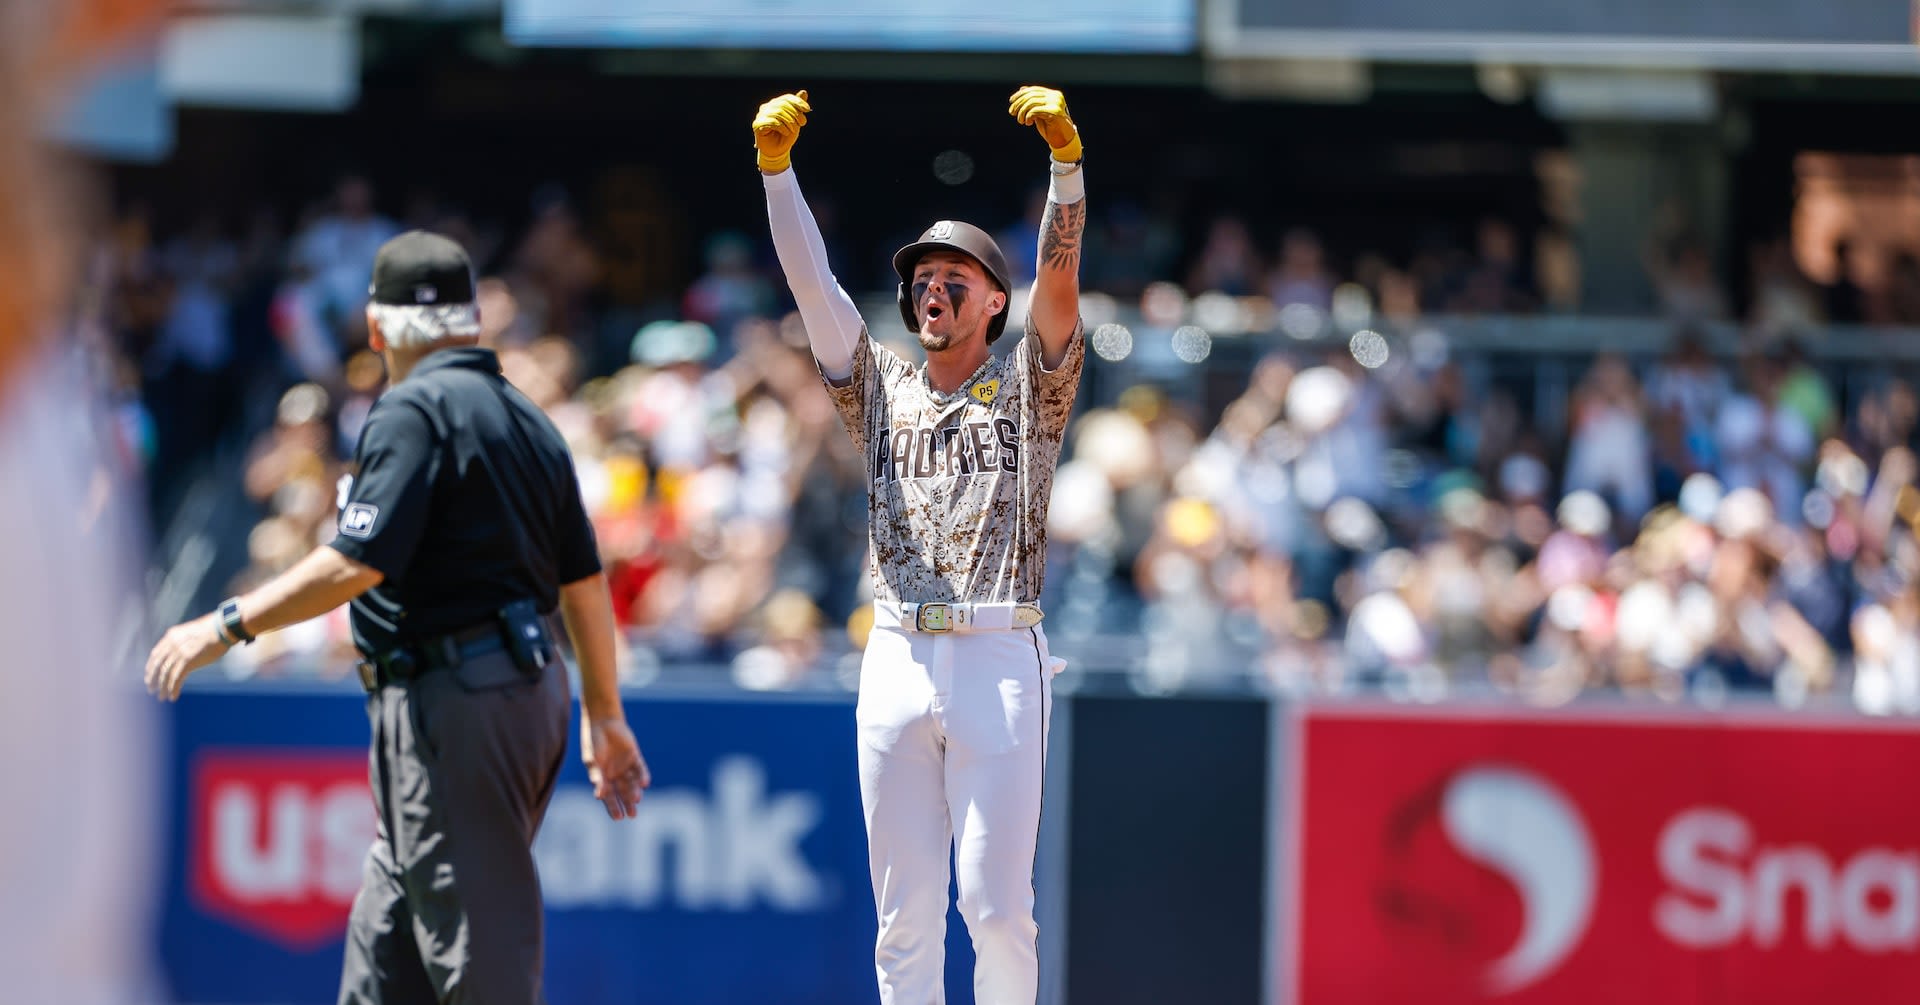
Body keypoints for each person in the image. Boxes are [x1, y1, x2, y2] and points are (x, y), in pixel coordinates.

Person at [143, 230, 650, 1005]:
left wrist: (223, 623)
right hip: (513, 687)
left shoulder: (414, 407)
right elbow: (582, 581)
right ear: (472, 321)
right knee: (386, 958)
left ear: (377, 328)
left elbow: (356, 562)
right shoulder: (527, 417)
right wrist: (604, 713)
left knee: (484, 968)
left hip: (458, 697)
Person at [754, 84, 1088, 1003]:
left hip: (998, 652)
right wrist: (778, 177)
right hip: (897, 650)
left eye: (955, 277)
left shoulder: (1030, 389)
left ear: (992, 302)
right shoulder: (881, 387)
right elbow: (811, 286)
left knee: (994, 906)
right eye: (921, 276)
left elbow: (1059, 286)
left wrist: (1066, 172)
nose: (930, 287)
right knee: (904, 921)